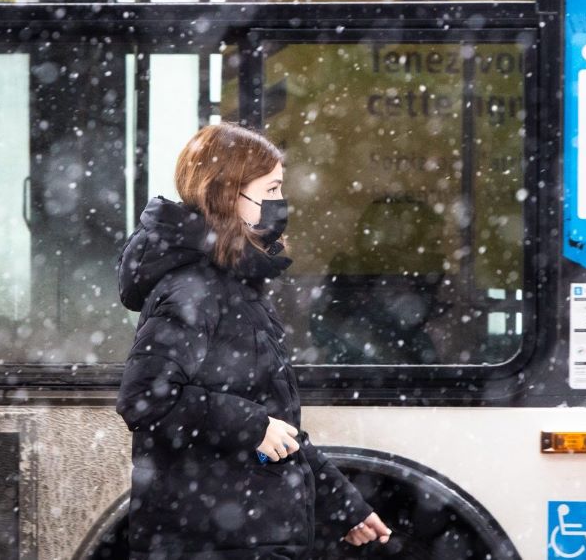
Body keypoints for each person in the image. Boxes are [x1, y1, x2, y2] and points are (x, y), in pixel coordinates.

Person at [115, 122, 392, 558]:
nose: (281, 204)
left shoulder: (233, 285)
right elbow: (145, 398)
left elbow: (276, 426)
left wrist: (345, 508)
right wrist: (252, 426)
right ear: (228, 195)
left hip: (243, 533)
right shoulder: (194, 290)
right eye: (272, 189)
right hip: (215, 540)